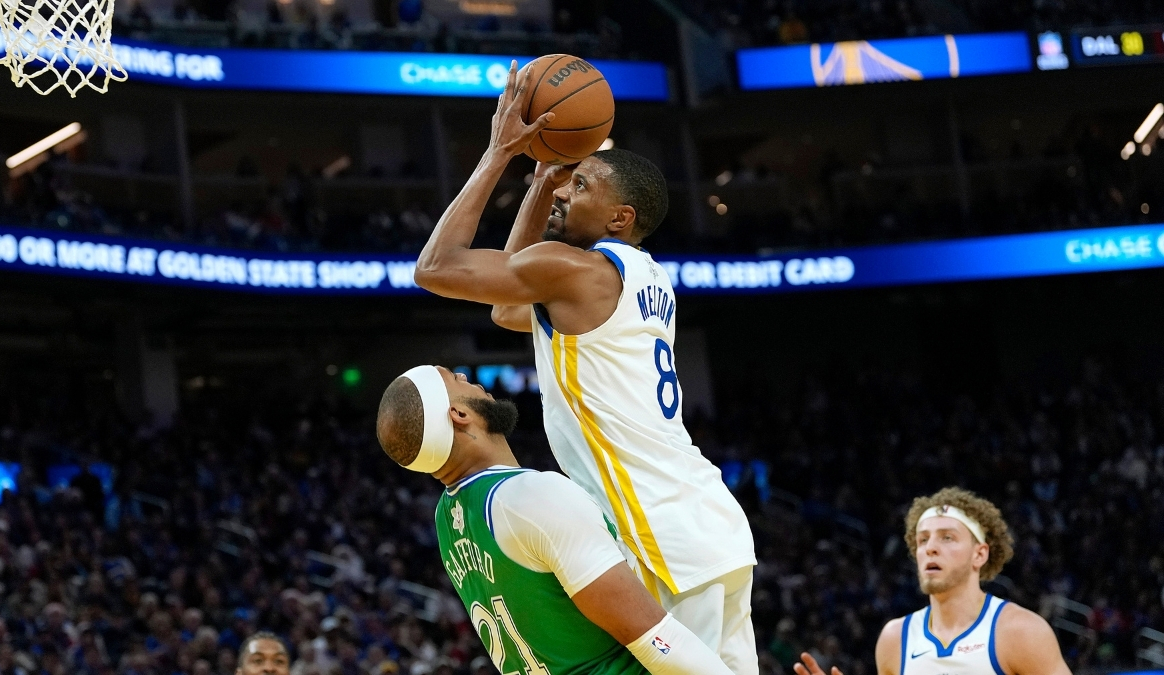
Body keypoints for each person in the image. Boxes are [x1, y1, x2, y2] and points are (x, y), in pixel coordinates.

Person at [414, 62, 756, 674]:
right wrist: (544, 178)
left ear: (620, 217)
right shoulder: (644, 277)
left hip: (657, 528)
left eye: (582, 185)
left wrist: (498, 155)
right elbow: (508, 309)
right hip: (709, 522)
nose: (567, 190)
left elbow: (436, 268)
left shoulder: (576, 270)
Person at [375, 365, 737, 675]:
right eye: (454, 378)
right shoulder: (529, 496)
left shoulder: (447, 520)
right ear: (459, 414)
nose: (465, 375)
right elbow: (653, 637)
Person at [793, 487, 1071, 675]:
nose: (930, 548)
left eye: (947, 537)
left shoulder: (1019, 631)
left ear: (979, 554)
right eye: (923, 540)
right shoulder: (894, 639)